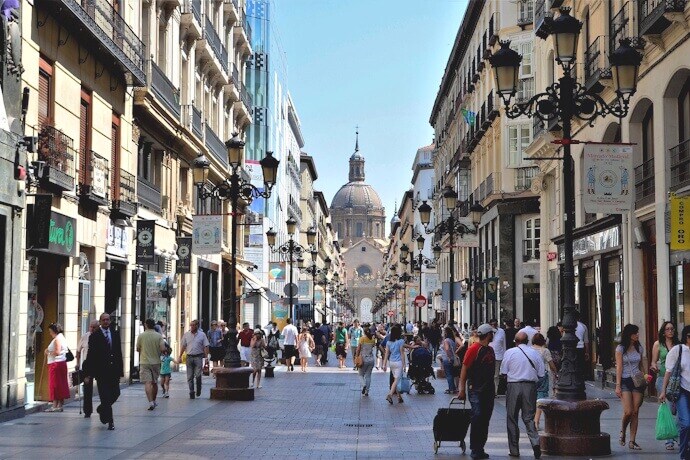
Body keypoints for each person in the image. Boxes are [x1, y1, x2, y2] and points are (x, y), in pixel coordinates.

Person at [500, 331, 544, 459]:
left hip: (513, 386)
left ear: (515, 341)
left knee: (512, 417)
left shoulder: (509, 352)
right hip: (529, 386)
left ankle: (514, 450)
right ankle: (535, 443)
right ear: (528, 341)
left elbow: (503, 372)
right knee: (529, 418)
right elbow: (541, 374)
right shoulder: (535, 353)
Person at [458, 324, 496, 460]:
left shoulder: (490, 350)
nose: (494, 335)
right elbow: (464, 368)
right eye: (492, 333)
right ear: (488, 335)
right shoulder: (474, 349)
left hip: (488, 389)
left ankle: (480, 447)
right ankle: (475, 448)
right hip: (476, 389)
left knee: (485, 418)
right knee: (478, 416)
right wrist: (461, 389)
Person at [84, 313, 123, 430]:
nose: (106, 322)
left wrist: (120, 370)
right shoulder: (94, 336)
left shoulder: (115, 334)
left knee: (116, 393)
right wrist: (88, 374)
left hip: (114, 372)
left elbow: (118, 353)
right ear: (100, 322)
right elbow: (91, 356)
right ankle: (110, 422)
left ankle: (102, 408)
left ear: (110, 321)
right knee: (105, 397)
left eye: (108, 320)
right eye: (104, 320)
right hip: (101, 373)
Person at [659, 325, 690, 459]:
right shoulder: (679, 350)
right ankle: (683, 454)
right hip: (681, 391)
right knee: (686, 423)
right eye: (689, 336)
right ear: (685, 337)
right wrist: (663, 391)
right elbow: (668, 371)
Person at [615, 323, 646, 451]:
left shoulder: (639, 348)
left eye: (638, 333)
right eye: (635, 333)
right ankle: (623, 431)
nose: (638, 335)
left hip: (638, 381)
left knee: (635, 411)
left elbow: (642, 365)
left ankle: (632, 441)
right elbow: (619, 367)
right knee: (628, 411)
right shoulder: (620, 348)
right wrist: (617, 385)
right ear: (629, 335)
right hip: (625, 381)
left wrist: (645, 377)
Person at [650, 321, 680, 451]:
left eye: (672, 329)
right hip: (663, 379)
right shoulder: (658, 344)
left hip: (677, 380)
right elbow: (653, 362)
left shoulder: (679, 345)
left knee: (679, 409)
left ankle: (677, 435)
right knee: (668, 408)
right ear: (663, 332)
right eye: (668, 329)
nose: (670, 331)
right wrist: (654, 367)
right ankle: (669, 441)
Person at [136, 318, 166, 410]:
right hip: (156, 362)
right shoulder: (158, 336)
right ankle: (154, 400)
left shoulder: (141, 336)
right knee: (154, 382)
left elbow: (138, 349)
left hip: (144, 362)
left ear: (146, 325)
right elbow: (162, 349)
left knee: (147, 383)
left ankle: (150, 402)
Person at [531, 332, 557, 430]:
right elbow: (551, 364)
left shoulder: (529, 350)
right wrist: (556, 373)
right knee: (540, 399)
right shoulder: (545, 350)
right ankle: (536, 421)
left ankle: (532, 420)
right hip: (542, 376)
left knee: (532, 399)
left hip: (531, 376)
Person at [178, 319, 209, 399]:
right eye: (190, 325)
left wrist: (206, 358)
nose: (191, 327)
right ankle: (191, 391)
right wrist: (180, 356)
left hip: (198, 356)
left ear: (197, 326)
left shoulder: (202, 335)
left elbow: (206, 346)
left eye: (193, 325)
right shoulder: (186, 335)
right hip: (189, 357)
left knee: (198, 375)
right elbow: (183, 346)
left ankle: (198, 389)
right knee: (189, 376)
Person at [76, 320, 99, 418]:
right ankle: (87, 411)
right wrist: (77, 363)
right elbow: (78, 350)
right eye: (91, 327)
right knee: (87, 388)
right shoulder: (85, 336)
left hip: (99, 366)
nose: (92, 329)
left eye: (94, 327)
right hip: (87, 366)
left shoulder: (101, 336)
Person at [44, 323, 69, 412]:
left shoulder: (57, 339)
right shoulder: (61, 337)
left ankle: (55, 405)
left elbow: (57, 352)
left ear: (54, 331)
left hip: (55, 364)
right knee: (60, 384)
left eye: (50, 331)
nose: (50, 333)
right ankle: (59, 405)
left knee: (55, 385)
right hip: (61, 363)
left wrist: (48, 353)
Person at [382, 325, 406, 404]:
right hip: (398, 362)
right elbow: (402, 353)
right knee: (396, 380)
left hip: (391, 362)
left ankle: (399, 397)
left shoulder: (388, 342)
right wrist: (404, 365)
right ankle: (390, 395)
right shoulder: (401, 341)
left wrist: (384, 364)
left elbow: (386, 354)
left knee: (395, 380)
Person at [356, 326, 376, 396]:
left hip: (363, 359)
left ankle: (363, 385)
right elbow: (373, 346)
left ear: (364, 332)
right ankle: (367, 391)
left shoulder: (362, 339)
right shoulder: (372, 339)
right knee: (368, 376)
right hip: (371, 359)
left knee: (360, 374)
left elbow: (358, 349)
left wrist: (356, 357)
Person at [489, 318, 506, 394]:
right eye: (492, 324)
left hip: (498, 355)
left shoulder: (501, 331)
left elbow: (504, 344)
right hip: (489, 355)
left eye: (495, 324)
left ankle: (495, 391)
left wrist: (504, 355)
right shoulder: (488, 331)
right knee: (489, 374)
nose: (493, 326)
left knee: (496, 375)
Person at [441, 326, 459, 394]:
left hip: (447, 359)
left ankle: (451, 388)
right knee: (451, 373)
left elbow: (447, 349)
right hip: (452, 359)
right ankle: (453, 387)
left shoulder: (446, 340)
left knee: (448, 374)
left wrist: (448, 357)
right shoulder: (452, 340)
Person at [575, 312, 590, 377]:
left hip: (571, 348)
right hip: (581, 347)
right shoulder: (583, 326)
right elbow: (586, 341)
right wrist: (587, 352)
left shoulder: (568, 326)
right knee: (580, 364)